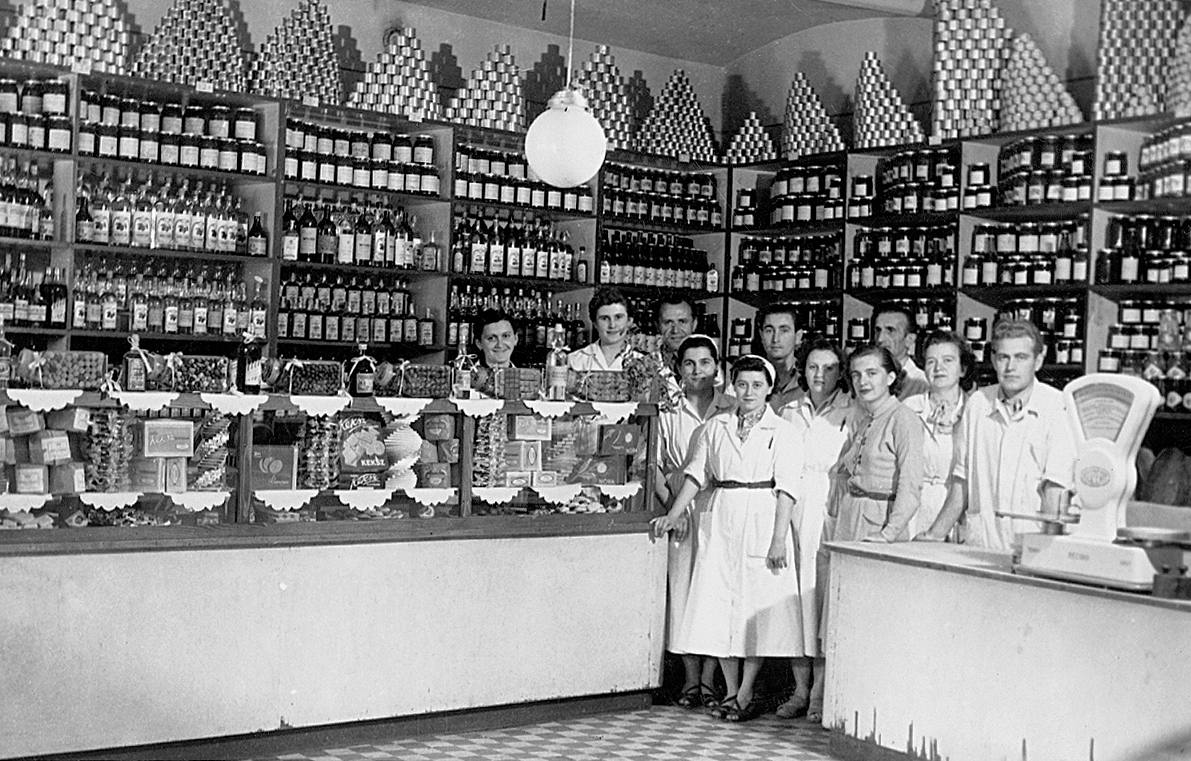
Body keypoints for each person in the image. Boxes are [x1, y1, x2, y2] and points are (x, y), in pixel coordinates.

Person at [652, 355, 803, 723]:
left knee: (754, 608)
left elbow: (787, 489)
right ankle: (732, 690)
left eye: (757, 384)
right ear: (732, 385)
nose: (749, 391)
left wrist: (779, 538)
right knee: (720, 606)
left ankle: (747, 691)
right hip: (721, 517)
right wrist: (673, 514)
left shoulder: (784, 432)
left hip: (763, 518)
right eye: (742, 384)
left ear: (769, 389)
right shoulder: (716, 427)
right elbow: (694, 475)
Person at [915, 320, 1076, 550]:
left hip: (1031, 546)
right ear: (993, 360)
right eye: (1003, 358)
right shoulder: (979, 403)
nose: (1011, 367)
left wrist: (1046, 553)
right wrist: (934, 534)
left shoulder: (1057, 407)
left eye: (1021, 357)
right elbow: (962, 479)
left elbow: (1056, 490)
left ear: (1038, 360)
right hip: (981, 544)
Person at [654, 335, 735, 709]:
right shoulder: (667, 410)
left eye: (705, 363)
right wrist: (674, 508)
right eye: (689, 364)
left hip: (720, 505)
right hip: (678, 506)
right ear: (678, 368)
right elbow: (653, 465)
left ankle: (709, 680)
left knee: (714, 592)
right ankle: (689, 679)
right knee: (683, 593)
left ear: (717, 368)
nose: (697, 371)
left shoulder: (733, 407)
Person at [776, 337, 852, 723]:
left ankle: (820, 694)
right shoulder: (790, 411)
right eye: (812, 367)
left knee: (819, 602)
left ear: (841, 372)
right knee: (794, 603)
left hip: (827, 508)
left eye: (829, 368)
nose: (820, 375)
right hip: (790, 507)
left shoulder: (850, 411)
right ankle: (800, 690)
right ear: (802, 370)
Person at [829, 344, 924, 543]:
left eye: (871, 373)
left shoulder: (903, 419)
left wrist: (888, 534)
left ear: (890, 378)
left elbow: (910, 485)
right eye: (856, 375)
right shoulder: (865, 420)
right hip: (849, 521)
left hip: (879, 525)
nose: (863, 381)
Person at [902, 331, 975, 536]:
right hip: (912, 510)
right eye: (931, 361)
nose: (938, 368)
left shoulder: (975, 411)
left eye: (948, 360)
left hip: (956, 510)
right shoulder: (909, 408)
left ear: (963, 369)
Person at [568, 286, 641, 371]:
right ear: (595, 323)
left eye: (618, 317)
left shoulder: (642, 363)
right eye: (605, 318)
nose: (612, 325)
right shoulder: (574, 361)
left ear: (629, 321)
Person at [872, 304, 930, 400]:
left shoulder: (921, 384)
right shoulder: (866, 378)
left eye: (890, 330)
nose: (880, 339)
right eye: (878, 330)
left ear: (909, 339)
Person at [758, 303, 802, 410]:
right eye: (769, 331)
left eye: (784, 330)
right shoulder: (745, 377)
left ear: (798, 336)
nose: (775, 339)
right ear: (761, 336)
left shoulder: (811, 378)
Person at [655, 296, 697, 371]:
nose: (675, 330)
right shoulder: (643, 366)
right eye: (668, 322)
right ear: (657, 326)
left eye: (682, 322)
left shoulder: (710, 366)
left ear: (694, 324)